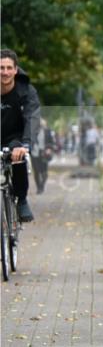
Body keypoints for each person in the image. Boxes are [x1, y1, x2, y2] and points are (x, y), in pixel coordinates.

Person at [0, 49, 40, 222]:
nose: (5, 72)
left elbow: (32, 117)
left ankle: (22, 200)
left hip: (15, 137)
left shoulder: (26, 91)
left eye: (9, 68)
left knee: (18, 156)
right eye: (1, 68)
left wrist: (25, 144)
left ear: (16, 70)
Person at [32, 118, 56, 194]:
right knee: (36, 171)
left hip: (44, 153)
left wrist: (49, 149)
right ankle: (39, 188)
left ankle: (42, 185)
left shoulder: (47, 131)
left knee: (44, 171)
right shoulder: (32, 131)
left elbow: (51, 142)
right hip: (34, 153)